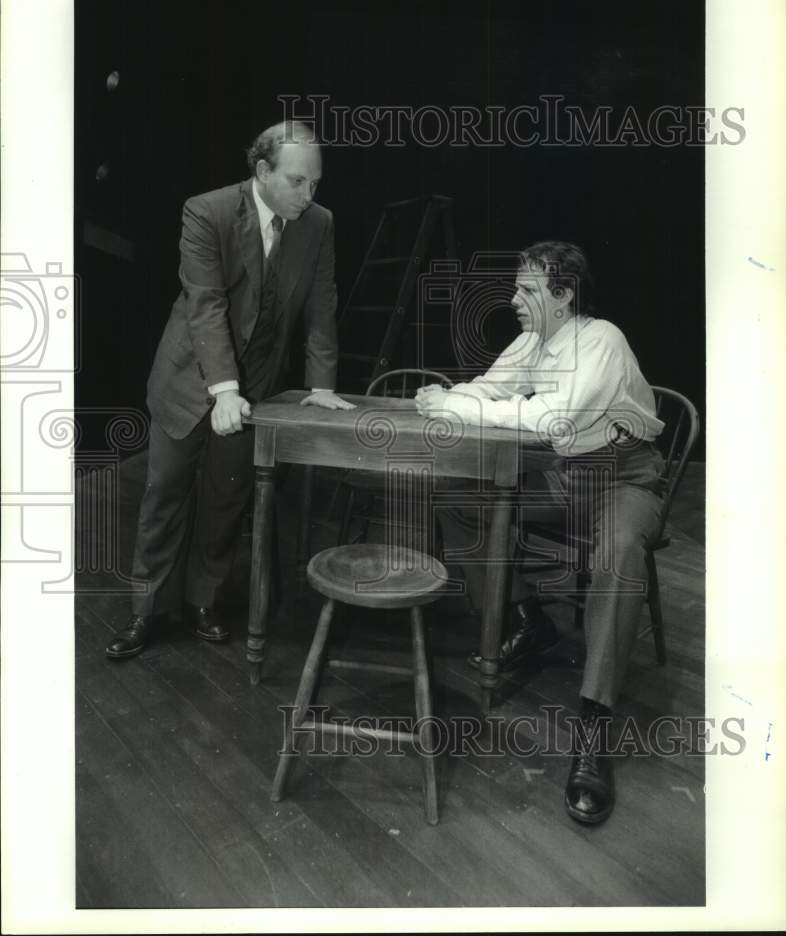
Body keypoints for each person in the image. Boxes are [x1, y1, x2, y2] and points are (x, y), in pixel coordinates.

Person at [415, 240, 666, 825]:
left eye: (527, 289)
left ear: (563, 294)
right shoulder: (534, 341)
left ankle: (594, 727)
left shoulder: (601, 339)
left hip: (627, 475)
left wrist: (457, 407)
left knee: (619, 552)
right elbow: (492, 387)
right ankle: (530, 620)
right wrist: (448, 397)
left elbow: (553, 418)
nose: (513, 299)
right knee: (456, 499)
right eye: (516, 287)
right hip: (569, 475)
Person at [106, 120, 354, 660]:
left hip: (257, 389)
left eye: (315, 183)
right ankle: (146, 611)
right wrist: (223, 390)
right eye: (297, 182)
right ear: (262, 171)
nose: (308, 195)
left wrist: (320, 385)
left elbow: (321, 306)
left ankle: (202, 600)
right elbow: (206, 305)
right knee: (165, 497)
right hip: (189, 381)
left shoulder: (318, 224)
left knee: (226, 499)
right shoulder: (208, 210)